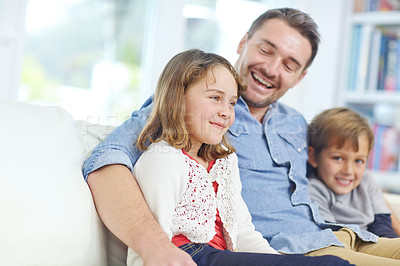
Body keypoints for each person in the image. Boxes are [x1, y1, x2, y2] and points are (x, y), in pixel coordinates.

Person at [83, 7, 400, 265]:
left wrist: (388, 218)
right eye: (266, 49)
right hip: (296, 251)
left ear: (300, 77)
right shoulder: (192, 113)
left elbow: (346, 170)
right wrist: (153, 246)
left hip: (345, 234)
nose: (272, 68)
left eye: (289, 65)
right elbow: (105, 162)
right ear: (242, 42)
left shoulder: (297, 124)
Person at [128, 48, 350, 266]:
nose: (226, 112)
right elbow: (149, 246)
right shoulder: (163, 160)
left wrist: (277, 261)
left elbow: (243, 231)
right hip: (189, 256)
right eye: (215, 97)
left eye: (232, 102)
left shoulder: (225, 161)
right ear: (176, 100)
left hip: (225, 254)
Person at [307, 107, 399, 239]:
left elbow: (383, 224)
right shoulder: (314, 190)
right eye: (337, 158)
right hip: (349, 243)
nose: (348, 171)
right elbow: (333, 235)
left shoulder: (367, 180)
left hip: (376, 240)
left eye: (359, 161)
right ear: (314, 157)